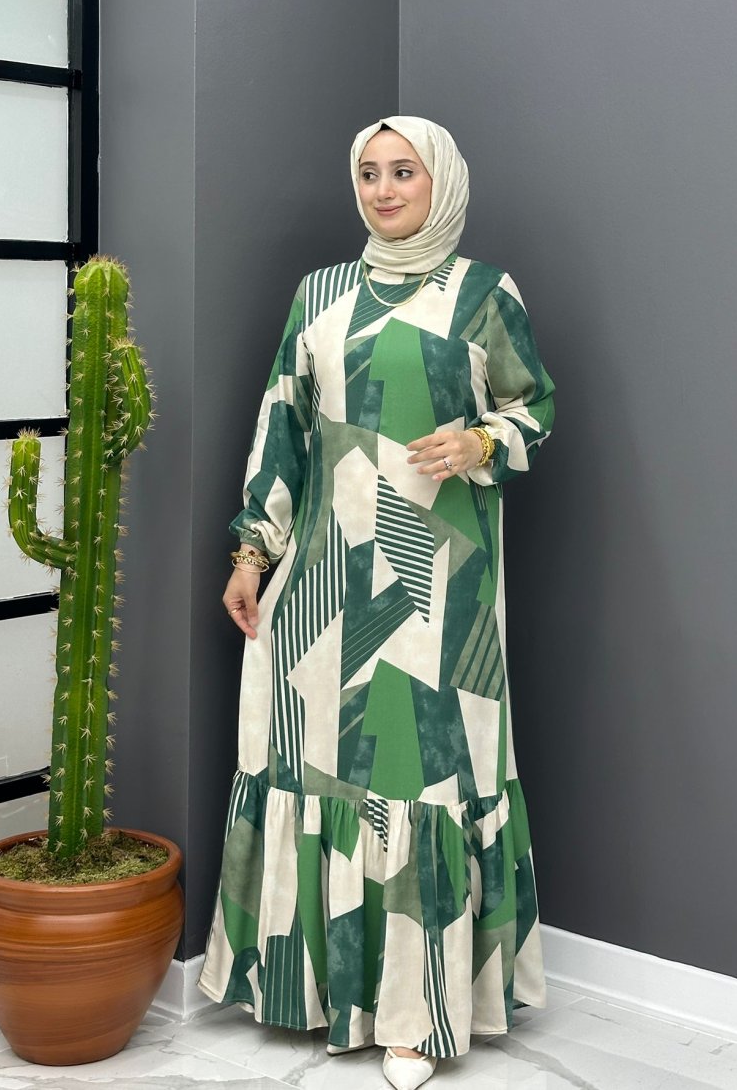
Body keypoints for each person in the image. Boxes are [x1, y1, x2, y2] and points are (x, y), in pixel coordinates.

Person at [198, 115, 555, 1089]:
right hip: (322, 580)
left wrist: (479, 443)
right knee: (316, 766)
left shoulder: (484, 293)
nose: (384, 189)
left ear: (440, 181)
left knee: (419, 781)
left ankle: (414, 1013)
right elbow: (281, 426)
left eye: (403, 171)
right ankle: (311, 986)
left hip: (439, 584)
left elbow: (534, 408)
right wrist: (250, 552)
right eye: (369, 172)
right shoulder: (318, 294)